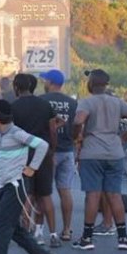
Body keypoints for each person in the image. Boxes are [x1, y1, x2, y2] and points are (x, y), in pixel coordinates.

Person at [0, 100, 55, 254]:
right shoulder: (1, 133)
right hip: (4, 185)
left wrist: (32, 167)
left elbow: (42, 145)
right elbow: (0, 148)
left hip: (16, 185)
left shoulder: (16, 133)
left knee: (1, 228)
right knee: (14, 229)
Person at [71, 69, 127, 251]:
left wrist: (77, 136)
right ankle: (123, 238)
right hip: (115, 152)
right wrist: (123, 138)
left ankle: (87, 238)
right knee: (114, 195)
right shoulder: (117, 102)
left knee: (92, 194)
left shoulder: (86, 102)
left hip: (92, 153)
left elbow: (78, 121)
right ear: (106, 84)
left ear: (91, 84)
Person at [10, 74, 58, 248]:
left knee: (27, 195)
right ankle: (53, 235)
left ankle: (26, 233)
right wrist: (52, 150)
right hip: (43, 154)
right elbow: (53, 130)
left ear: (16, 87)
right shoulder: (45, 105)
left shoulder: (13, 107)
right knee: (45, 195)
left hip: (22, 156)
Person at [39, 69, 77, 242]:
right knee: (65, 191)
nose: (43, 83)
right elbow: (78, 126)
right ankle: (67, 229)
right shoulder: (72, 102)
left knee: (43, 192)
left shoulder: (41, 101)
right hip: (68, 150)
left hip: (47, 151)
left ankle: (38, 230)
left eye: (45, 80)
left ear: (51, 82)